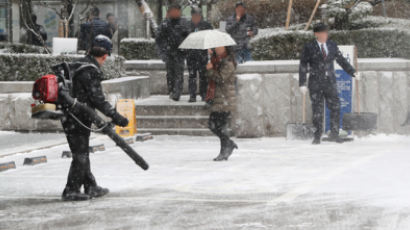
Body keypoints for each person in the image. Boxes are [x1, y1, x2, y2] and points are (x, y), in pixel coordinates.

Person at [61, 35, 129, 201]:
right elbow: (98, 100)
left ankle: (90, 186)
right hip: (78, 118)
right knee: (81, 154)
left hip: (70, 115)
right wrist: (117, 117)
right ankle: (71, 189)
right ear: (105, 55)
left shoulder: (79, 64)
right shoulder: (90, 70)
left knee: (82, 152)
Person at [299, 23, 360, 145]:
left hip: (330, 82)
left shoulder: (332, 45)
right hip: (315, 82)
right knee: (317, 110)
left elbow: (341, 60)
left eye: (326, 32)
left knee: (335, 107)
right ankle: (317, 136)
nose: (325, 35)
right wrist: (302, 83)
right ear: (316, 34)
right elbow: (303, 65)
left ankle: (334, 133)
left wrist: (352, 72)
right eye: (322, 32)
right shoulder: (309, 47)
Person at [206, 46, 238, 161]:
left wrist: (210, 70)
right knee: (212, 125)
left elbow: (220, 78)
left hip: (225, 99)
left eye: (220, 47)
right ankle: (228, 144)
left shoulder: (228, 63)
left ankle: (224, 150)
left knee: (220, 126)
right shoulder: (216, 60)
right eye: (216, 48)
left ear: (226, 48)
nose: (217, 49)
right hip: (218, 99)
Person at [156, 3, 190, 101]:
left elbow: (189, 36)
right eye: (173, 11)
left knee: (179, 73)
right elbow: (159, 39)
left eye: (177, 11)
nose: (176, 13)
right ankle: (171, 91)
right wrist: (162, 53)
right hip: (168, 53)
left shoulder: (184, 23)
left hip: (180, 53)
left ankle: (177, 93)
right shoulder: (165, 23)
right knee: (170, 73)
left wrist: (186, 49)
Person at [187, 6, 213, 102]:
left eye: (198, 15)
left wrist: (210, 48)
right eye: (194, 15)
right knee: (192, 76)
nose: (196, 17)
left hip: (202, 54)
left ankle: (203, 94)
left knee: (203, 76)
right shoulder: (188, 25)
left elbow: (211, 37)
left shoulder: (206, 25)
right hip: (191, 55)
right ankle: (192, 95)